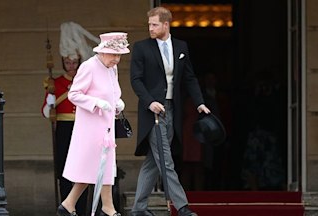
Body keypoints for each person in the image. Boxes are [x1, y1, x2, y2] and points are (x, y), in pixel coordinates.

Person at [130, 7, 210, 216]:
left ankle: (138, 209)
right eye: (149, 24)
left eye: (155, 24)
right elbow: (136, 80)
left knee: (153, 163)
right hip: (152, 112)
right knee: (165, 159)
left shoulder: (181, 47)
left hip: (172, 109)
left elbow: (189, 78)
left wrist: (199, 102)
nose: (151, 28)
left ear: (166, 25)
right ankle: (182, 206)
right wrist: (149, 102)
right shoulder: (141, 48)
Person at [57, 32, 130, 216]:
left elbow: (113, 92)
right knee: (97, 166)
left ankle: (69, 205)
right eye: (114, 54)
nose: (117, 59)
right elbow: (74, 94)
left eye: (119, 55)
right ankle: (107, 208)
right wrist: (95, 102)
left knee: (100, 167)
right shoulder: (88, 67)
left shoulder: (111, 68)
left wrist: (117, 103)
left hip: (106, 125)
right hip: (90, 126)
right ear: (103, 52)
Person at [42, 23, 89, 216]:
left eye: (74, 63)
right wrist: (51, 101)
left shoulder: (86, 80)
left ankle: (82, 208)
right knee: (64, 169)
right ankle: (66, 207)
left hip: (83, 126)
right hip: (64, 127)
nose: (71, 67)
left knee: (83, 169)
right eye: (68, 63)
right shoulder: (56, 83)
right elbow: (45, 113)